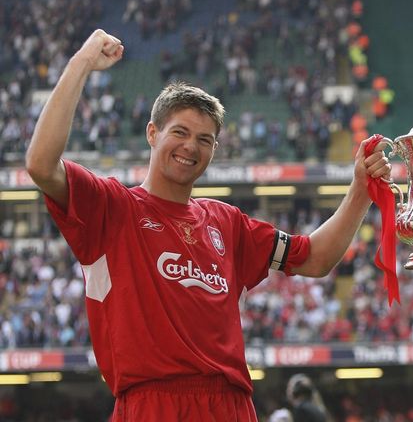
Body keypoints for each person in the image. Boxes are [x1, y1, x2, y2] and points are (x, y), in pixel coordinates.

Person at [24, 29, 393, 421]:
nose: (190, 147)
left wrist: (359, 191)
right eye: (179, 132)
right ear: (153, 133)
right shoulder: (113, 207)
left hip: (230, 405)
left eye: (205, 139)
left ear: (215, 150)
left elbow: (315, 258)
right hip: (153, 404)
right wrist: (82, 62)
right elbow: (41, 164)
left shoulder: (227, 222)